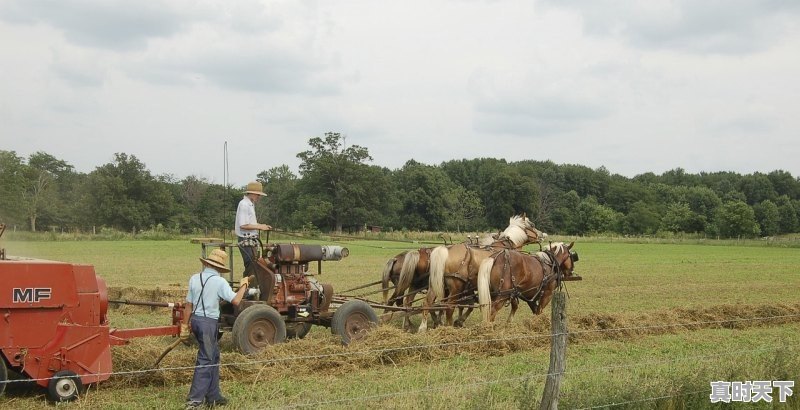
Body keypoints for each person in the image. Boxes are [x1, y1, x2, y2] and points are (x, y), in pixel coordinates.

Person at [182, 249, 249, 408]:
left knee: (214, 356)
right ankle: (195, 401)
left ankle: (213, 396)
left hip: (196, 321)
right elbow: (236, 300)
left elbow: (188, 306)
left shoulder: (194, 278)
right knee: (206, 359)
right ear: (219, 268)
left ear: (206, 263)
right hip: (208, 323)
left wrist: (184, 326)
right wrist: (244, 285)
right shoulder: (220, 282)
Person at [235, 181, 272, 274]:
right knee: (251, 266)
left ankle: (251, 285)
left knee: (255, 265)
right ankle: (247, 286)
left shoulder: (250, 204)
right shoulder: (244, 204)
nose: (259, 197)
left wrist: (263, 226)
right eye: (257, 194)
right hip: (245, 239)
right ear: (251, 193)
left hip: (251, 240)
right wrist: (260, 227)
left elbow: (250, 223)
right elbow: (243, 225)